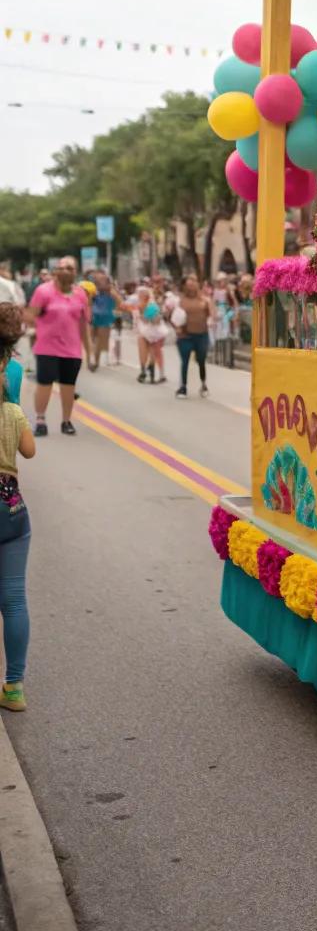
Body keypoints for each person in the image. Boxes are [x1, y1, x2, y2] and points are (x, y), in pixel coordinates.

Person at [0, 305, 35, 711]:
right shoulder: (14, 375)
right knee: (13, 598)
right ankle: (14, 687)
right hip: (9, 503)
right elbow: (27, 447)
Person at [25, 256, 91, 437]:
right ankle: (40, 420)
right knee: (44, 384)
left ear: (75, 272)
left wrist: (89, 353)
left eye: (69, 268)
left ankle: (66, 421)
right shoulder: (43, 291)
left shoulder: (80, 294)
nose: (65, 271)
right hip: (47, 347)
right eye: (61, 268)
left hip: (72, 349)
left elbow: (84, 325)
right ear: (55, 271)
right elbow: (31, 316)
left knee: (68, 386)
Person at [174, 275, 212, 398]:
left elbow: (212, 315)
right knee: (184, 361)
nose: (191, 286)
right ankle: (183, 387)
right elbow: (172, 317)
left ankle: (203, 383)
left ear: (198, 285)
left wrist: (211, 318)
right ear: (185, 286)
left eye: (194, 283)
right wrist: (177, 327)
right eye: (189, 284)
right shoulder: (179, 300)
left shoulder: (205, 300)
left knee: (201, 360)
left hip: (201, 335)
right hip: (185, 336)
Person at [87, 272, 121, 371]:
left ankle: (95, 362)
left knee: (99, 341)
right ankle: (90, 359)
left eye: (102, 280)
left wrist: (116, 311)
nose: (100, 282)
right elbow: (88, 303)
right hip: (94, 316)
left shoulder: (111, 291)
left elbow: (119, 302)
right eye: (98, 280)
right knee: (91, 339)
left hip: (106, 318)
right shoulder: (94, 291)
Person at [134, 287, 168, 384]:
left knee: (151, 350)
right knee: (146, 350)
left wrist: (147, 318)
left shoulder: (150, 305)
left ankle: (148, 372)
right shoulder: (143, 305)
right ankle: (146, 371)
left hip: (151, 330)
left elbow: (155, 320)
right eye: (140, 294)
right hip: (148, 331)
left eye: (142, 294)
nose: (140, 296)